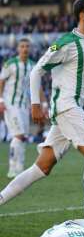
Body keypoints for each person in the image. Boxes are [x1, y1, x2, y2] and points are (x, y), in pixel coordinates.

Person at [0, 0, 84, 228]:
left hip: (71, 111)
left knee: (41, 167)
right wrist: (36, 104)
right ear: (82, 15)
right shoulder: (66, 43)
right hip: (67, 107)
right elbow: (36, 71)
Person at [0, 38, 42, 178]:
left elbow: (37, 86)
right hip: (11, 104)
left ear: (30, 49)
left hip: (24, 105)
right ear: (18, 49)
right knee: (18, 135)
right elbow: (1, 81)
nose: (25, 49)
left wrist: (44, 103)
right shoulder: (10, 64)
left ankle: (20, 166)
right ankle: (13, 167)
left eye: (27, 46)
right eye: (22, 46)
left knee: (23, 136)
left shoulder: (32, 65)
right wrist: (0, 100)